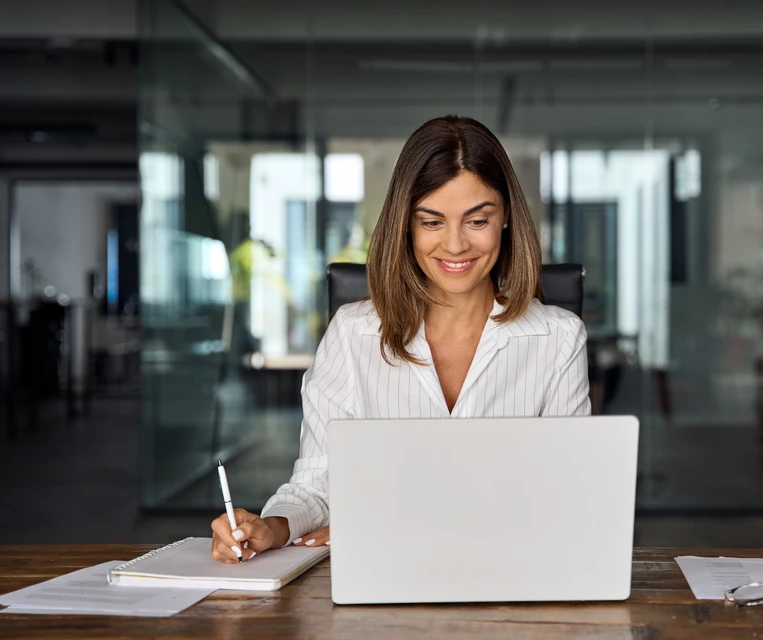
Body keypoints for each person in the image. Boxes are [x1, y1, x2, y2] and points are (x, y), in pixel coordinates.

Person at [210, 115, 591, 563]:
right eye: (431, 221)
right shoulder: (352, 334)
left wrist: (383, 523)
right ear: (406, 226)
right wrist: (271, 529)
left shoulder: (559, 339)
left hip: (512, 571)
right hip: (384, 579)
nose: (454, 245)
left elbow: (566, 496)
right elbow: (317, 484)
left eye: (477, 220)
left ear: (505, 217)